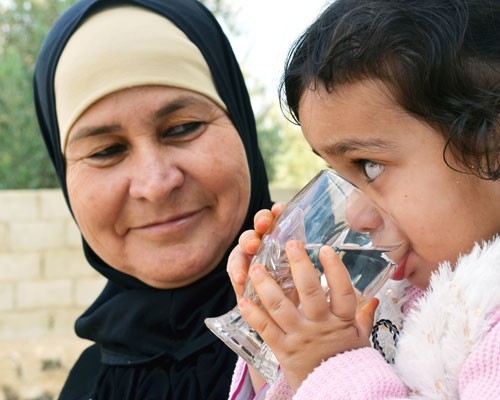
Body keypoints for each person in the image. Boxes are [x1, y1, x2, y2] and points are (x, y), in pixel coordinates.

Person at [226, 0, 500, 398]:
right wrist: (287, 342)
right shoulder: (392, 297)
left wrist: (332, 366)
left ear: (490, 142)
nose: (353, 214)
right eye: (338, 175)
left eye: (370, 166)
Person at [33, 0, 272, 398]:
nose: (156, 183)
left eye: (183, 127)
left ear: (241, 126)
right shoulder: (87, 387)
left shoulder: (368, 335)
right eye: (105, 151)